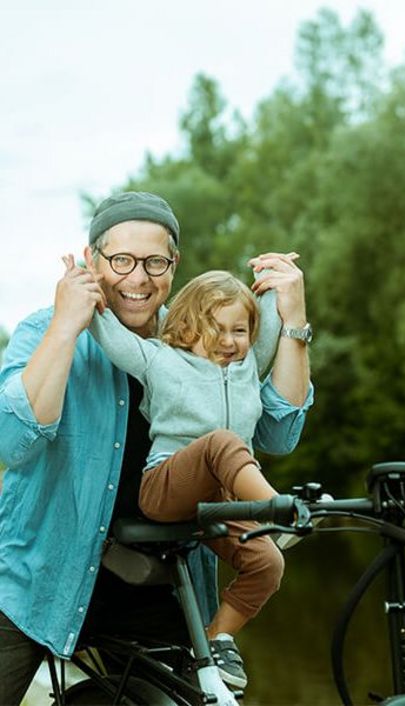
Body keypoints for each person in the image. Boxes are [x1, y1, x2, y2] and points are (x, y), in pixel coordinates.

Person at [0, 191, 313, 705]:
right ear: (92, 260)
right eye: (121, 260)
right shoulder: (44, 329)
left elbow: (279, 434)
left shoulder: (199, 338)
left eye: (154, 262)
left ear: (174, 265)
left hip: (162, 585)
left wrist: (292, 320)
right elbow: (14, 442)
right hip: (40, 578)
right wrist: (66, 323)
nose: (138, 278)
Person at [85, 264, 307, 688]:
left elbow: (272, 315)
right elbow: (109, 334)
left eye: (238, 331)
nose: (228, 341)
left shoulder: (247, 366)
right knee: (221, 442)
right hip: (166, 486)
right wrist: (91, 290)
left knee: (267, 564)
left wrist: (281, 287)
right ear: (186, 325)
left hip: (220, 499)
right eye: (214, 328)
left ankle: (215, 642)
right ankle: (279, 513)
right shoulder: (159, 360)